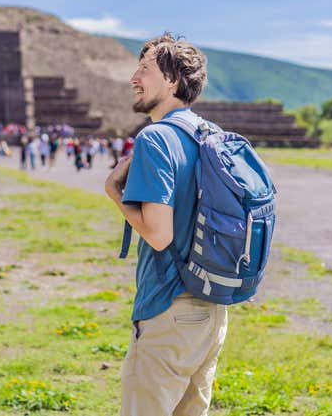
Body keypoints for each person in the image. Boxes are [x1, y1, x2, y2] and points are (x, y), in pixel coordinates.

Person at [104, 33, 223, 416]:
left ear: (172, 80)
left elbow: (159, 235)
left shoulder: (156, 139)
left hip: (168, 310)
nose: (134, 78)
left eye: (145, 69)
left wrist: (114, 192)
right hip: (211, 310)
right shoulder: (208, 133)